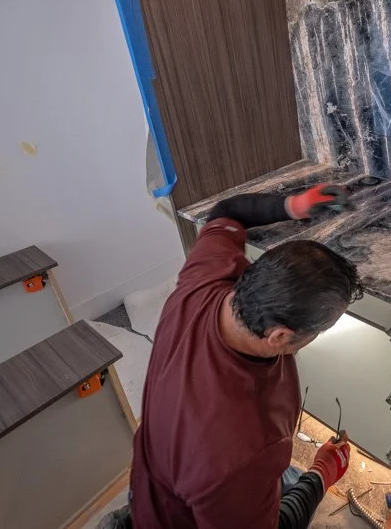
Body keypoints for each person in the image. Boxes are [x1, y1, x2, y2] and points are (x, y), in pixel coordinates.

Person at [103, 184, 363, 529]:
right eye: (320, 330)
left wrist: (293, 205)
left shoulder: (205, 282)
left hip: (155, 481)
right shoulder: (239, 449)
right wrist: (320, 474)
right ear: (280, 336)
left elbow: (225, 212)